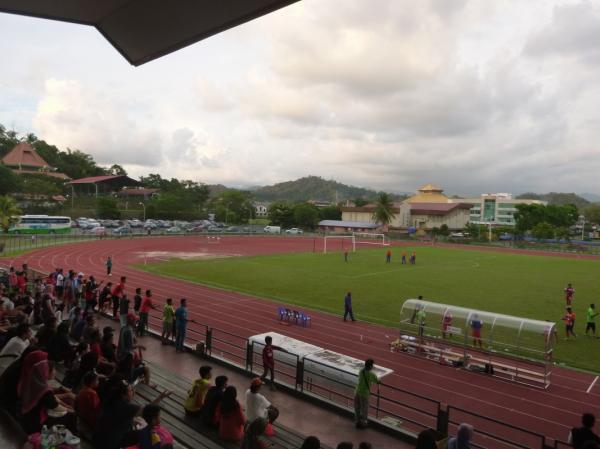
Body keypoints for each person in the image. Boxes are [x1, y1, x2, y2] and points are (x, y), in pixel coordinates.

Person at [93, 376, 171, 449]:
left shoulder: (111, 400)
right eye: (130, 390)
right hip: (109, 444)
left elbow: (116, 418)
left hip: (98, 438)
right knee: (143, 434)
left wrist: (131, 420)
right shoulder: (127, 408)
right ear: (123, 395)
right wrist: (161, 397)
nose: (133, 391)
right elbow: (149, 409)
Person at [18, 351, 76, 434]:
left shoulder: (35, 381)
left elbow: (53, 399)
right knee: (71, 417)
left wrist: (66, 405)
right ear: (46, 372)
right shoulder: (44, 390)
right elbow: (55, 405)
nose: (55, 372)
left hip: (26, 417)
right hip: (34, 424)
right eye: (53, 370)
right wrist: (70, 410)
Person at [117, 313, 148, 383]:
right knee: (129, 375)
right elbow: (131, 346)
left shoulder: (124, 328)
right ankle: (130, 383)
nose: (136, 322)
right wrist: (140, 346)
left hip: (120, 355)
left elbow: (133, 340)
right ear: (131, 321)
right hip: (126, 356)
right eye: (135, 320)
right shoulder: (129, 331)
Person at [354, 358, 379, 428]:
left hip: (357, 391)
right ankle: (364, 422)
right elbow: (377, 381)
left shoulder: (361, 371)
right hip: (364, 393)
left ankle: (357, 421)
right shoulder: (371, 374)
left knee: (357, 407)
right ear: (371, 366)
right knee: (364, 408)